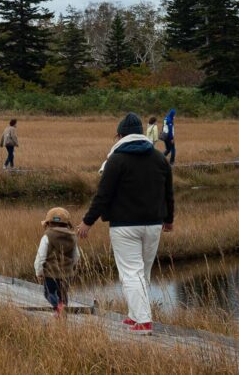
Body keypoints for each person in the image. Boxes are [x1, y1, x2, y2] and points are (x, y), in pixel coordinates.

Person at [78, 112, 174, 335]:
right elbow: (168, 193)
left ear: (120, 135)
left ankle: (143, 322)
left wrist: (87, 222)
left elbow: (104, 195)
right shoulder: (159, 158)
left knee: (131, 273)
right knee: (143, 273)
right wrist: (168, 220)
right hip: (153, 225)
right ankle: (134, 316)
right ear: (141, 134)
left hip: (124, 226)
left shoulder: (116, 160)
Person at [34, 207, 79, 317]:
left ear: (49, 223)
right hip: (67, 274)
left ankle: (57, 308)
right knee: (63, 294)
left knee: (48, 293)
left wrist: (39, 271)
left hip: (51, 273)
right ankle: (62, 309)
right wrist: (71, 267)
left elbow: (41, 256)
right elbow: (76, 256)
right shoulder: (72, 237)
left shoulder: (47, 236)